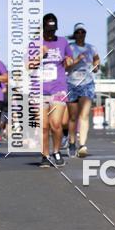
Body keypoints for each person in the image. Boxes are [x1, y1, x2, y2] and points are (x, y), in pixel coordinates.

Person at [32, 13, 72, 168]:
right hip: (39, 90)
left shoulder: (63, 42)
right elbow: (29, 66)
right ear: (43, 28)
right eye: (48, 30)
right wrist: (40, 55)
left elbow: (69, 60)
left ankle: (56, 151)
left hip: (59, 89)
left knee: (56, 124)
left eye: (53, 30)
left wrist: (69, 61)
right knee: (43, 126)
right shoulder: (35, 44)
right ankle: (45, 155)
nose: (51, 33)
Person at [66, 23, 99, 158]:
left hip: (87, 83)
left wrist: (96, 66)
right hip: (72, 83)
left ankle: (82, 145)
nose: (81, 34)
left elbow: (97, 64)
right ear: (75, 34)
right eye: (78, 32)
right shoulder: (69, 48)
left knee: (84, 116)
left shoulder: (92, 48)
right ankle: (72, 142)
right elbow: (66, 67)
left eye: (83, 32)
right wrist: (77, 60)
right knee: (73, 117)